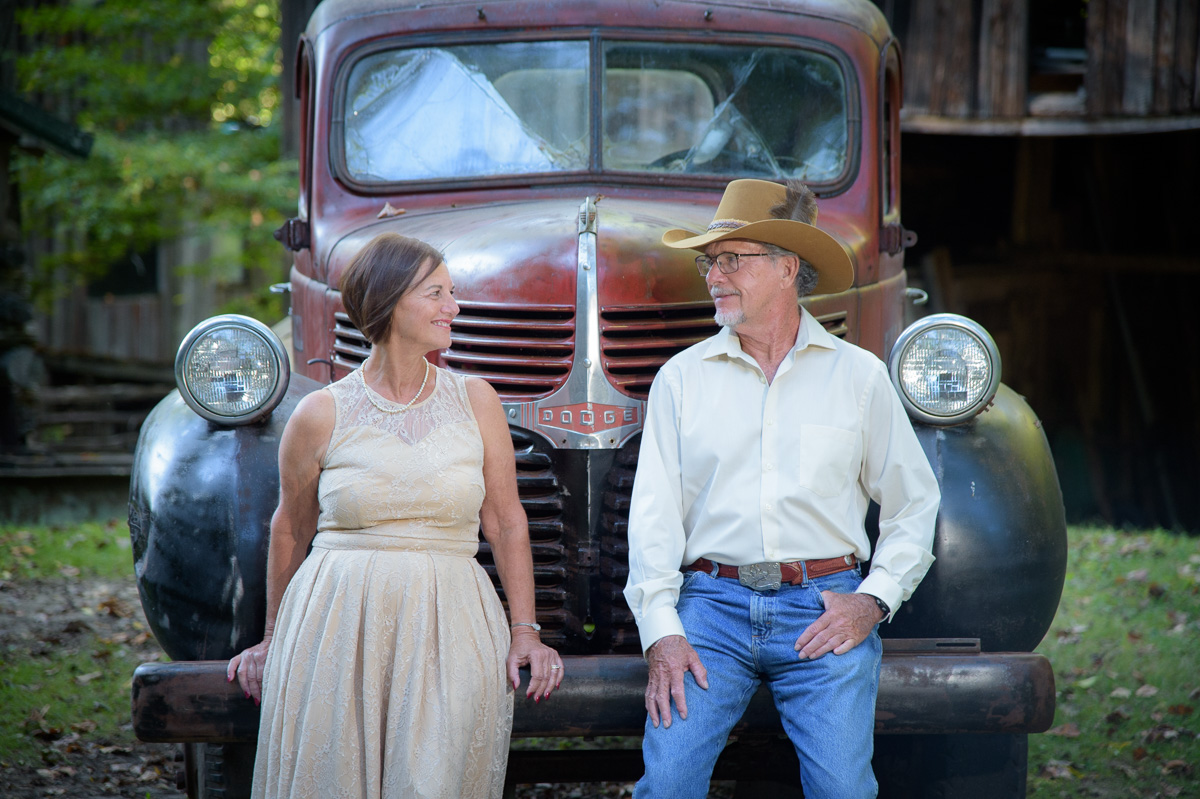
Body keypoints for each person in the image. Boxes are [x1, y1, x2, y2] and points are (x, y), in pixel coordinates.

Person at [623, 179, 941, 798]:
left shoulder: (860, 376)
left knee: (843, 791)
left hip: (825, 606)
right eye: (708, 262)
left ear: (787, 268)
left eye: (731, 260)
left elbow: (913, 503)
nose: (714, 276)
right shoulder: (681, 379)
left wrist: (872, 600)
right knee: (666, 786)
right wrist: (663, 629)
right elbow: (654, 518)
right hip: (709, 610)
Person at [227, 232, 563, 799]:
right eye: (436, 293)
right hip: (336, 626)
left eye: (451, 293)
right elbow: (291, 527)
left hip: (449, 623)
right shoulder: (319, 414)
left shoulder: (475, 400)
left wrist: (525, 632)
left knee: (430, 778)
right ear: (387, 303)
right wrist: (272, 637)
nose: (452, 307)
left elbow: (506, 522)